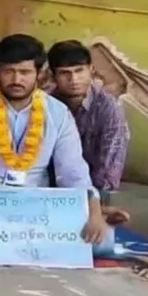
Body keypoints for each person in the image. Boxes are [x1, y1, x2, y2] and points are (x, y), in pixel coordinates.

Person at [0, 34, 109, 245]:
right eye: (9, 71)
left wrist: (92, 206)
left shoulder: (57, 113)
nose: (16, 80)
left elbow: (72, 171)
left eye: (25, 72)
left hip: (38, 201)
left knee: (100, 243)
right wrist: (16, 205)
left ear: (39, 74)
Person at [47, 39, 131, 199]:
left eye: (79, 71)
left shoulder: (108, 108)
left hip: (94, 189)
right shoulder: (46, 103)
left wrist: (90, 200)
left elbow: (109, 168)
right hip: (50, 187)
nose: (74, 79)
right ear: (53, 76)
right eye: (65, 73)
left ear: (91, 69)